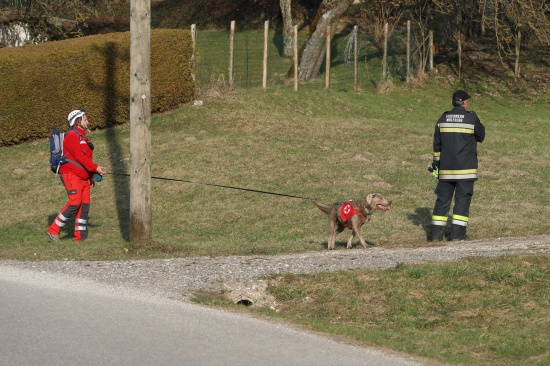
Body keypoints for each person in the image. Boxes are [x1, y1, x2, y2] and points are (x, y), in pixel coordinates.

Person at [429, 90, 485, 241]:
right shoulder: (471, 118)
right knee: (462, 201)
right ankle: (457, 236)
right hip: (466, 171)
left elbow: (437, 145)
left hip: (445, 170)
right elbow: (481, 136)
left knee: (442, 201)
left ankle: (435, 236)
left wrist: (436, 165)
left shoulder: (442, 118)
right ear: (465, 102)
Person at [47, 109, 106, 242]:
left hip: (84, 177)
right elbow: (79, 157)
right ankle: (53, 230)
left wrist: (91, 175)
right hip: (71, 174)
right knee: (74, 203)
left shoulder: (83, 137)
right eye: (85, 119)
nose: (88, 121)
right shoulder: (72, 136)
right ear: (77, 120)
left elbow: (86, 158)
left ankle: (80, 237)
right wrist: (95, 167)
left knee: (84, 205)